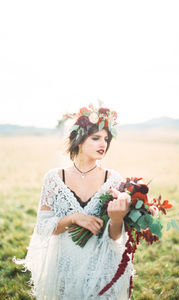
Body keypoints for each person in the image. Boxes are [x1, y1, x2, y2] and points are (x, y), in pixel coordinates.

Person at [14, 104, 135, 300]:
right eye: (95, 138)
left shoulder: (113, 179)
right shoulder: (54, 178)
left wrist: (117, 218)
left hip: (101, 268)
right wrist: (73, 218)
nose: (103, 143)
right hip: (65, 268)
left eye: (106, 139)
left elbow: (114, 237)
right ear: (78, 140)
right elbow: (44, 226)